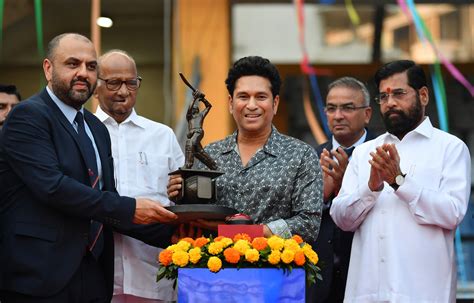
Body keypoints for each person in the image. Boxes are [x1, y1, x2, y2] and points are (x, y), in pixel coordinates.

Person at [0, 33, 177, 303]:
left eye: (91, 66)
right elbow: (53, 187)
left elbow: (107, 201)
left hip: (93, 275)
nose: (83, 73)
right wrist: (130, 208)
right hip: (39, 277)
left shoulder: (95, 129)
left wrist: (178, 230)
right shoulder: (28, 116)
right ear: (48, 69)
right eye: (73, 64)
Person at [330, 60, 471, 302]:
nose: (390, 103)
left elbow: (453, 213)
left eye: (398, 93)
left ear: (423, 95)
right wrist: (370, 188)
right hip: (367, 293)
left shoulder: (450, 148)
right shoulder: (365, 152)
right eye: (383, 97)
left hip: (423, 293)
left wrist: (399, 182)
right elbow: (342, 219)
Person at [168, 56, 323, 242]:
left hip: (276, 268)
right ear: (231, 103)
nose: (251, 105)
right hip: (212, 267)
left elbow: (308, 225)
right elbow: (195, 215)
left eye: (261, 97)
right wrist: (180, 194)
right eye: (243, 96)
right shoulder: (210, 153)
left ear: (275, 103)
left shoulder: (301, 156)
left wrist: (241, 232)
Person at [94, 49, 184, 303]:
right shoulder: (83, 133)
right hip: (97, 274)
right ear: (95, 86)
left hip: (153, 273)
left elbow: (182, 199)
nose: (123, 91)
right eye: (113, 83)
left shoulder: (162, 136)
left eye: (131, 83)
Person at [311, 77, 374, 303]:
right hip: (318, 277)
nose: (338, 115)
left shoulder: (384, 154)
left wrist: (346, 186)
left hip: (368, 273)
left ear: (367, 114)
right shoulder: (309, 157)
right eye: (331, 108)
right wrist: (324, 195)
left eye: (347, 108)